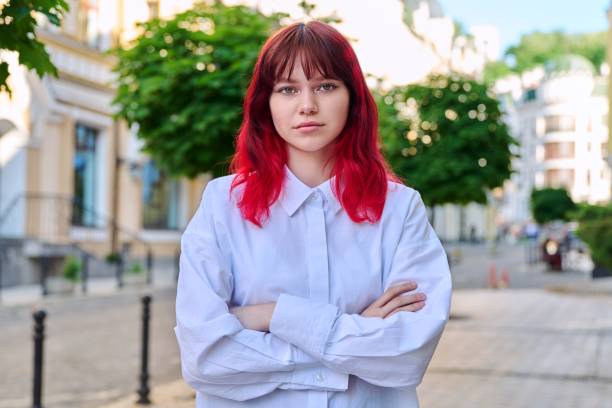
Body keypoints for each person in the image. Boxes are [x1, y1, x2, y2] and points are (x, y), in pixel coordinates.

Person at [174, 21, 452, 408]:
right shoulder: (223, 205)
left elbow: (405, 355)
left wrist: (271, 315)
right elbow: (206, 359)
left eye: (325, 86)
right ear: (266, 104)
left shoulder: (399, 209)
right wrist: (356, 334)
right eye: (288, 89)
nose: (307, 104)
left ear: (353, 98)